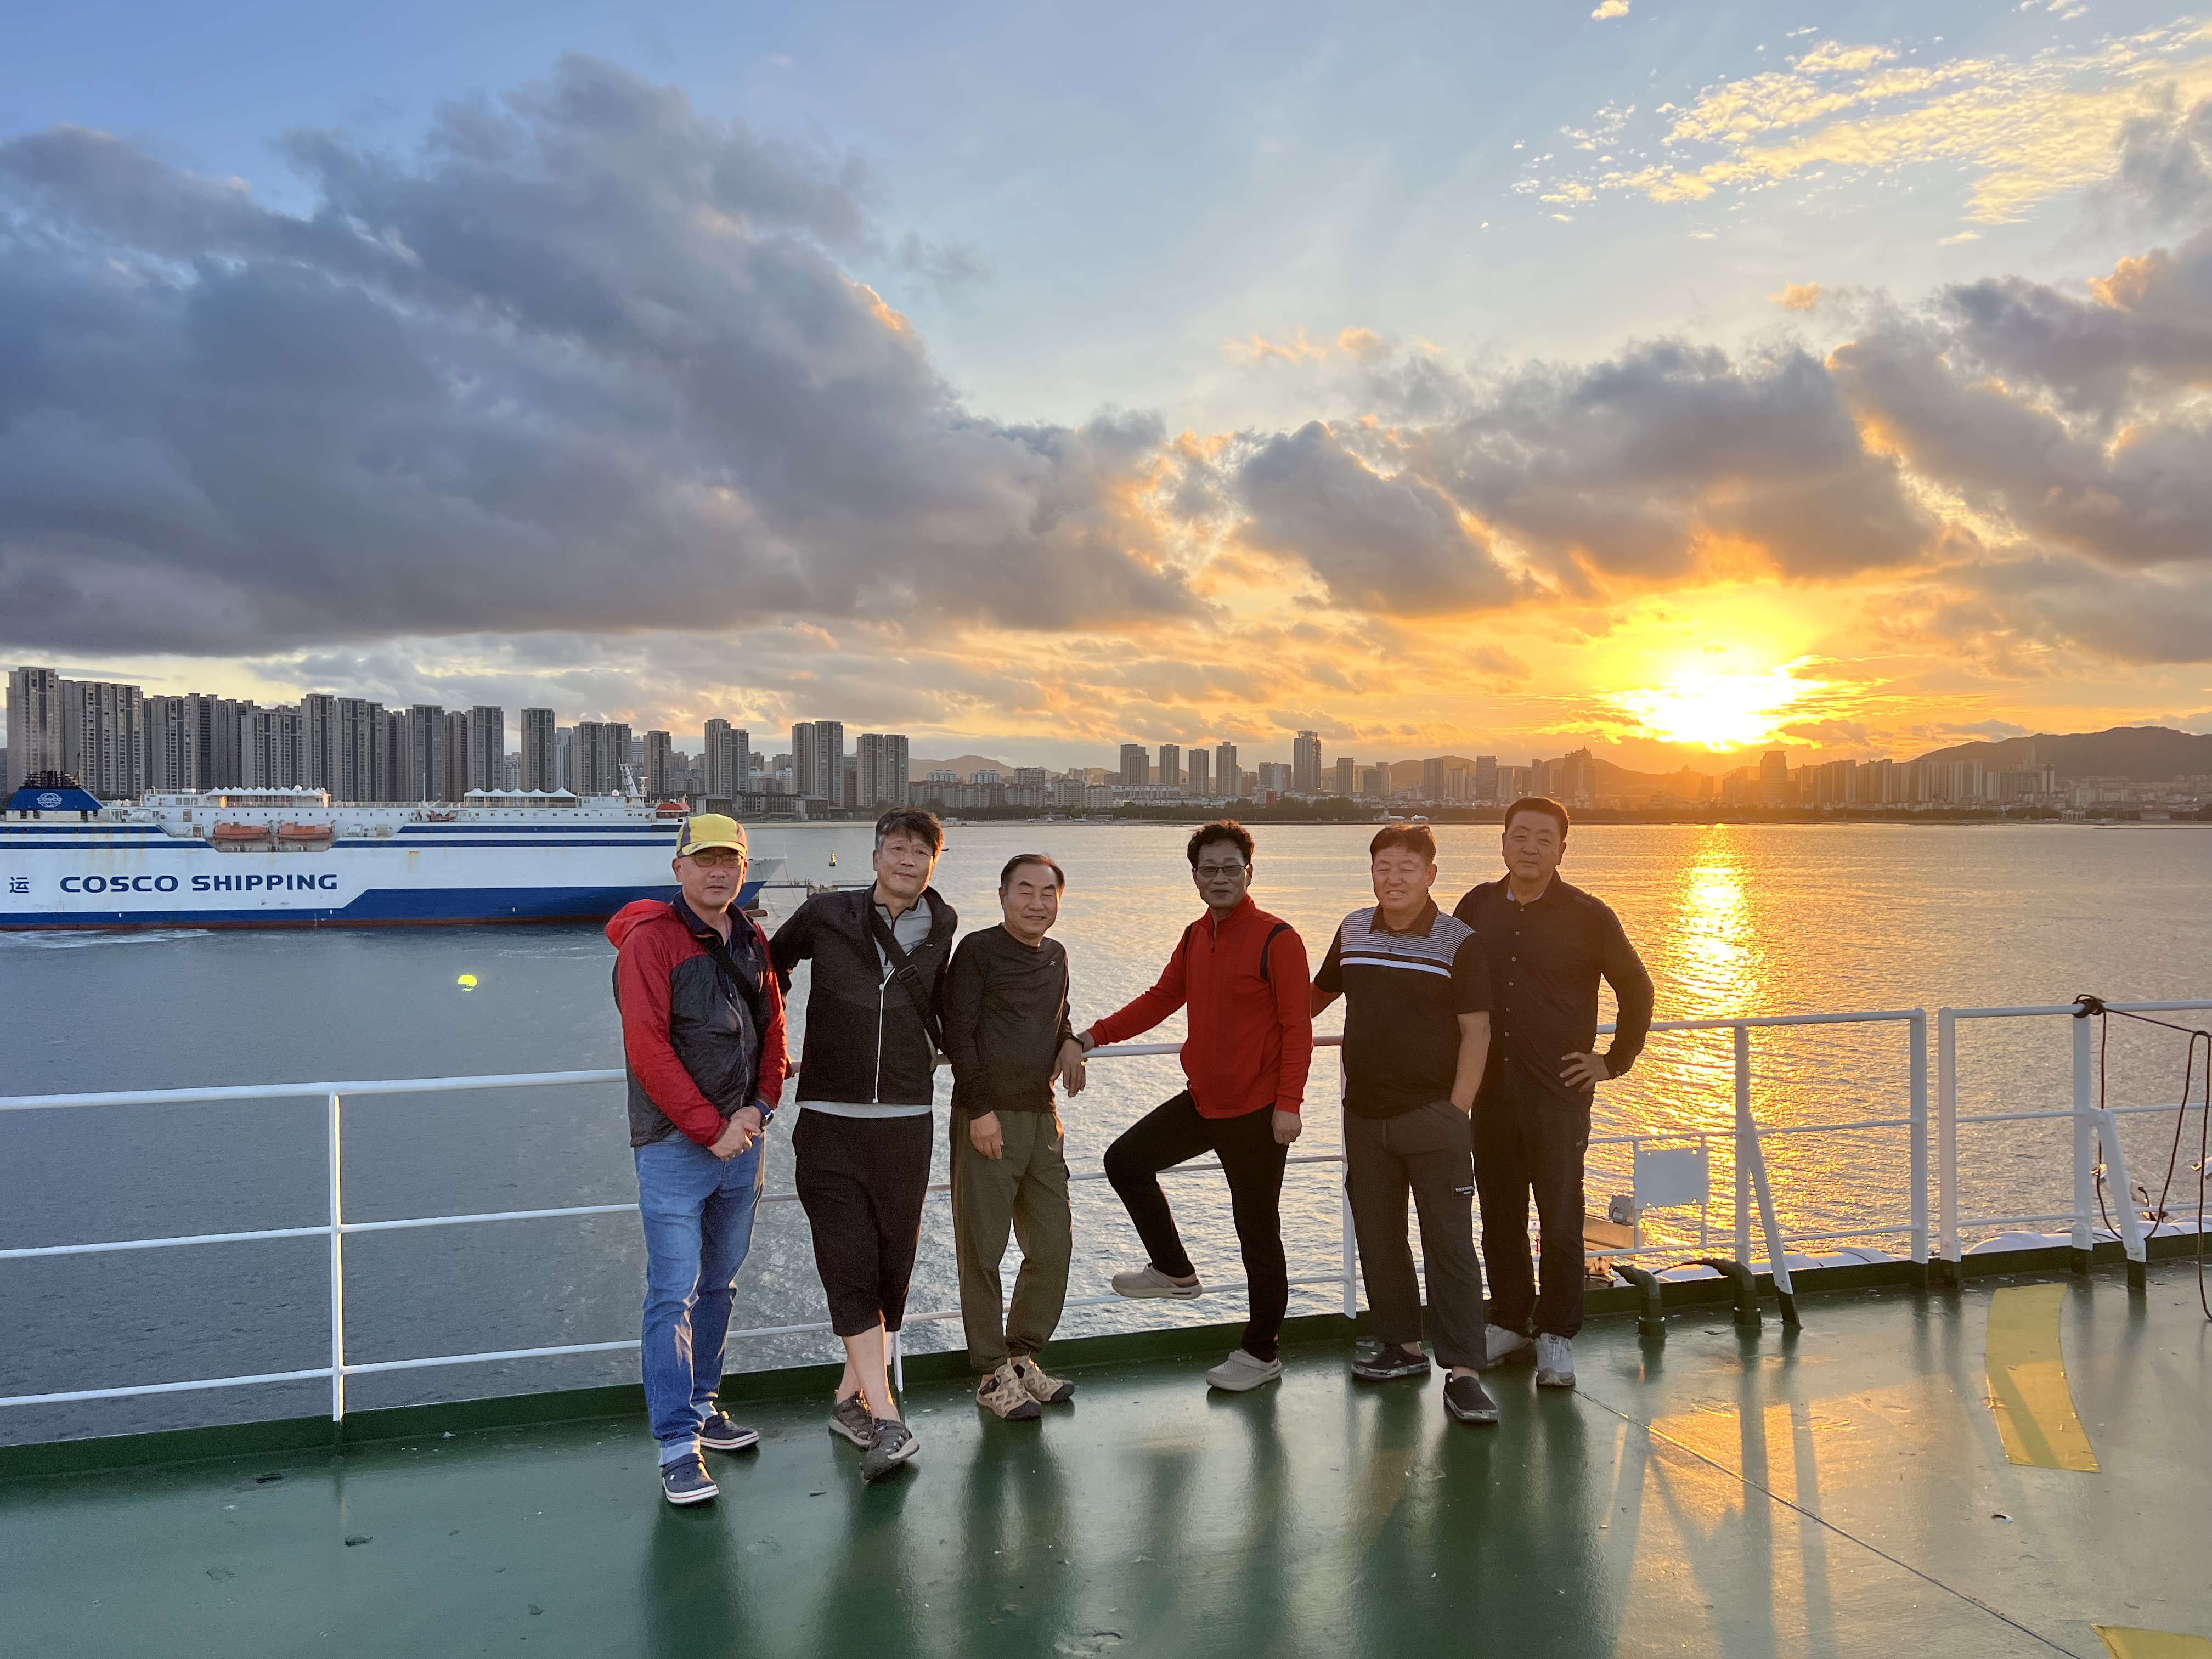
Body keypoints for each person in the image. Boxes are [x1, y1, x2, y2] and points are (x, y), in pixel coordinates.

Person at [1081, 820, 1314, 1393]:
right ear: (1195, 877)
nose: (1220, 878)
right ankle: (1174, 1270)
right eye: (1209, 869)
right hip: (1203, 1102)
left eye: (1230, 868)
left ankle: (1261, 1352)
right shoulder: (1194, 936)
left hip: (1258, 1113)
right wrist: (1091, 1037)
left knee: (1257, 1233)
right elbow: (1162, 998)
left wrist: (1289, 1104)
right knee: (1125, 1162)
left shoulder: (1278, 939)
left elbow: (1298, 1028)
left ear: (1249, 872)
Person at [770, 808, 958, 1482]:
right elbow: (771, 964)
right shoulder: (826, 915)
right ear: (876, 855)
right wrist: (773, 1044)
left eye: (921, 852)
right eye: (897, 848)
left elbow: (959, 1009)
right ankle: (887, 1417)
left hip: (907, 1118)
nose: (908, 860)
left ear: (934, 862)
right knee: (846, 1261)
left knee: (890, 1268)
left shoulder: (944, 926)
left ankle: (848, 1401)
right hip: (828, 1115)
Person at [606, 813, 787, 1506]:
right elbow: (647, 1049)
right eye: (705, 859)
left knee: (719, 1285)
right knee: (671, 1292)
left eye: (730, 860)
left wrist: (759, 1108)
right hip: (676, 1148)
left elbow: (774, 1031)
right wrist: (712, 1128)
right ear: (678, 868)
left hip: (743, 1144)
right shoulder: (650, 942)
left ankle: (705, 1405)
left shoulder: (750, 937)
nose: (719, 871)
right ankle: (676, 1444)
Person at [1453, 797, 1654, 1391]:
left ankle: (1556, 1334)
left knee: (1560, 1219)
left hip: (1558, 1096)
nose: (1531, 847)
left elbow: (1637, 989)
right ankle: (1510, 1322)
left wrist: (1613, 1061)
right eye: (1520, 836)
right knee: (1499, 1217)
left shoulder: (1590, 915)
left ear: (1563, 849)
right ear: (1503, 843)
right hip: (1491, 1092)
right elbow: (1446, 982)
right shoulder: (1476, 906)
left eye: (1545, 838)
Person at [1311, 823, 1500, 1426]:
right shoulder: (1352, 930)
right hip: (1364, 1117)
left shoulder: (1458, 941)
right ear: (1371, 873)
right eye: (1382, 868)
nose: (1392, 879)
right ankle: (1403, 1347)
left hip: (1433, 1117)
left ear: (1430, 874)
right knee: (1379, 1235)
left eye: (1406, 868)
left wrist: (1456, 1110)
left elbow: (1477, 1031)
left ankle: (1464, 1373)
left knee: (1450, 1243)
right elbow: (1314, 998)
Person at [944, 853, 1091, 1420]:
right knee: (983, 1250)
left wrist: (1072, 1040)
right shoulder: (978, 951)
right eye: (1024, 890)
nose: (1036, 902)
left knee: (1053, 1244)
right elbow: (958, 1032)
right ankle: (991, 1375)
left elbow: (1057, 1015)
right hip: (988, 1117)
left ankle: (1022, 1358)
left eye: (1047, 892)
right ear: (1003, 895)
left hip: (1042, 1119)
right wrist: (980, 1111)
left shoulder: (1057, 955)